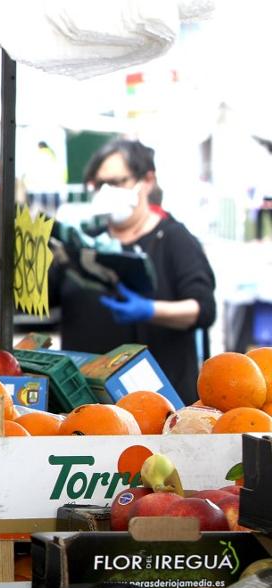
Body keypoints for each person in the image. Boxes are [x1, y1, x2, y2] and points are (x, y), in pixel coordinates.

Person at [59, 139, 215, 404]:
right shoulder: (84, 244)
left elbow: (203, 308)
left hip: (159, 405)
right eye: (100, 184)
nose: (107, 191)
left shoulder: (173, 239)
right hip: (87, 403)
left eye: (118, 182)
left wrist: (151, 310)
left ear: (148, 180)